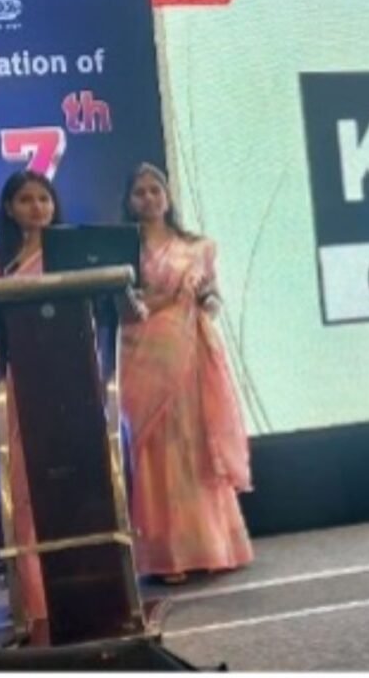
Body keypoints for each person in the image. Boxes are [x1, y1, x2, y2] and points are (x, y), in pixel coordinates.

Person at [119, 162, 254, 583]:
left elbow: (212, 301)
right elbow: (121, 308)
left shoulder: (196, 247)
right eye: (140, 192)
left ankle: (212, 545)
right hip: (143, 355)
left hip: (191, 352)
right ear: (129, 201)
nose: (149, 198)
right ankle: (168, 555)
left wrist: (205, 298)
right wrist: (159, 301)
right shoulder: (122, 250)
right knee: (157, 450)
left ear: (168, 196)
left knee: (196, 444)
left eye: (155, 190)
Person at [0, 170, 63, 642]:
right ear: (9, 208)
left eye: (43, 199)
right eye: (26, 200)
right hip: (17, 377)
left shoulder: (71, 251)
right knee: (26, 489)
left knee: (75, 484)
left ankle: (86, 589)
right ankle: (36, 599)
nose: (37, 208)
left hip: (71, 379)